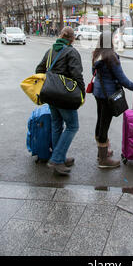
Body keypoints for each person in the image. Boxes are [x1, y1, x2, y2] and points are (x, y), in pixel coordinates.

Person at [35, 26, 85, 175]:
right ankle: (57, 159)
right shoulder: (71, 52)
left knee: (57, 125)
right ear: (72, 38)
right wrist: (81, 93)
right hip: (64, 96)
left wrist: (50, 81)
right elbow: (77, 75)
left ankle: (59, 157)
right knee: (72, 126)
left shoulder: (50, 51)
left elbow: (39, 70)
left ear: (60, 36)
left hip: (50, 94)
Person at [92, 30, 133, 169]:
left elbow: (94, 73)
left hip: (98, 93)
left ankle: (101, 153)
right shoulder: (111, 56)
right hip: (108, 95)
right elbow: (122, 78)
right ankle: (103, 160)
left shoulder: (97, 54)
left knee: (100, 121)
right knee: (104, 124)